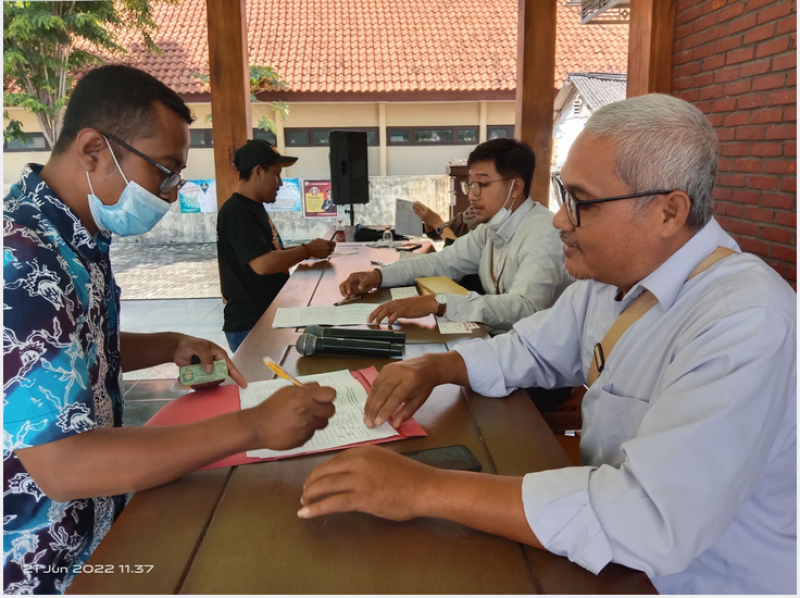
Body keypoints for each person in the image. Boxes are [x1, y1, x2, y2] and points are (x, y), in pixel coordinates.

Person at [298, 94, 797, 594]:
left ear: (668, 212)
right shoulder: (608, 283)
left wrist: (423, 488)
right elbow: (531, 350)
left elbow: (650, 517)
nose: (560, 219)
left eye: (581, 202)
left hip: (695, 581)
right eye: (563, 195)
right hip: (604, 556)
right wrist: (435, 368)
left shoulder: (745, 321)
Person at [3, 65, 337, 595]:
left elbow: (65, 350)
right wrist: (253, 427)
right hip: (40, 558)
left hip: (98, 524)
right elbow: (62, 465)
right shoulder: (22, 258)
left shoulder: (77, 237)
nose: (172, 190)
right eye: (165, 170)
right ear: (93, 149)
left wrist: (166, 345)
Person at [339, 138, 572, 333]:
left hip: (536, 367)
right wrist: (378, 276)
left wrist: (438, 303)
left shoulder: (544, 235)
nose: (472, 195)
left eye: (481, 184)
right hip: (497, 341)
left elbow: (525, 307)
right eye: (469, 185)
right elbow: (442, 262)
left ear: (516, 187)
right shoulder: (490, 230)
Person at [217, 140, 335, 352]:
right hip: (251, 324)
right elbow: (262, 264)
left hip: (266, 316)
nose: (280, 183)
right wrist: (307, 251)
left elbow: (269, 253)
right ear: (259, 172)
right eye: (277, 174)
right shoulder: (238, 212)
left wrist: (308, 249)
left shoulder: (252, 208)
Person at [413, 201, 479, 245]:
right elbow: (435, 234)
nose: (471, 196)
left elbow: (461, 254)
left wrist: (437, 222)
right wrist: (427, 219)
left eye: (483, 185)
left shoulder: (486, 228)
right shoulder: (469, 214)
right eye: (470, 185)